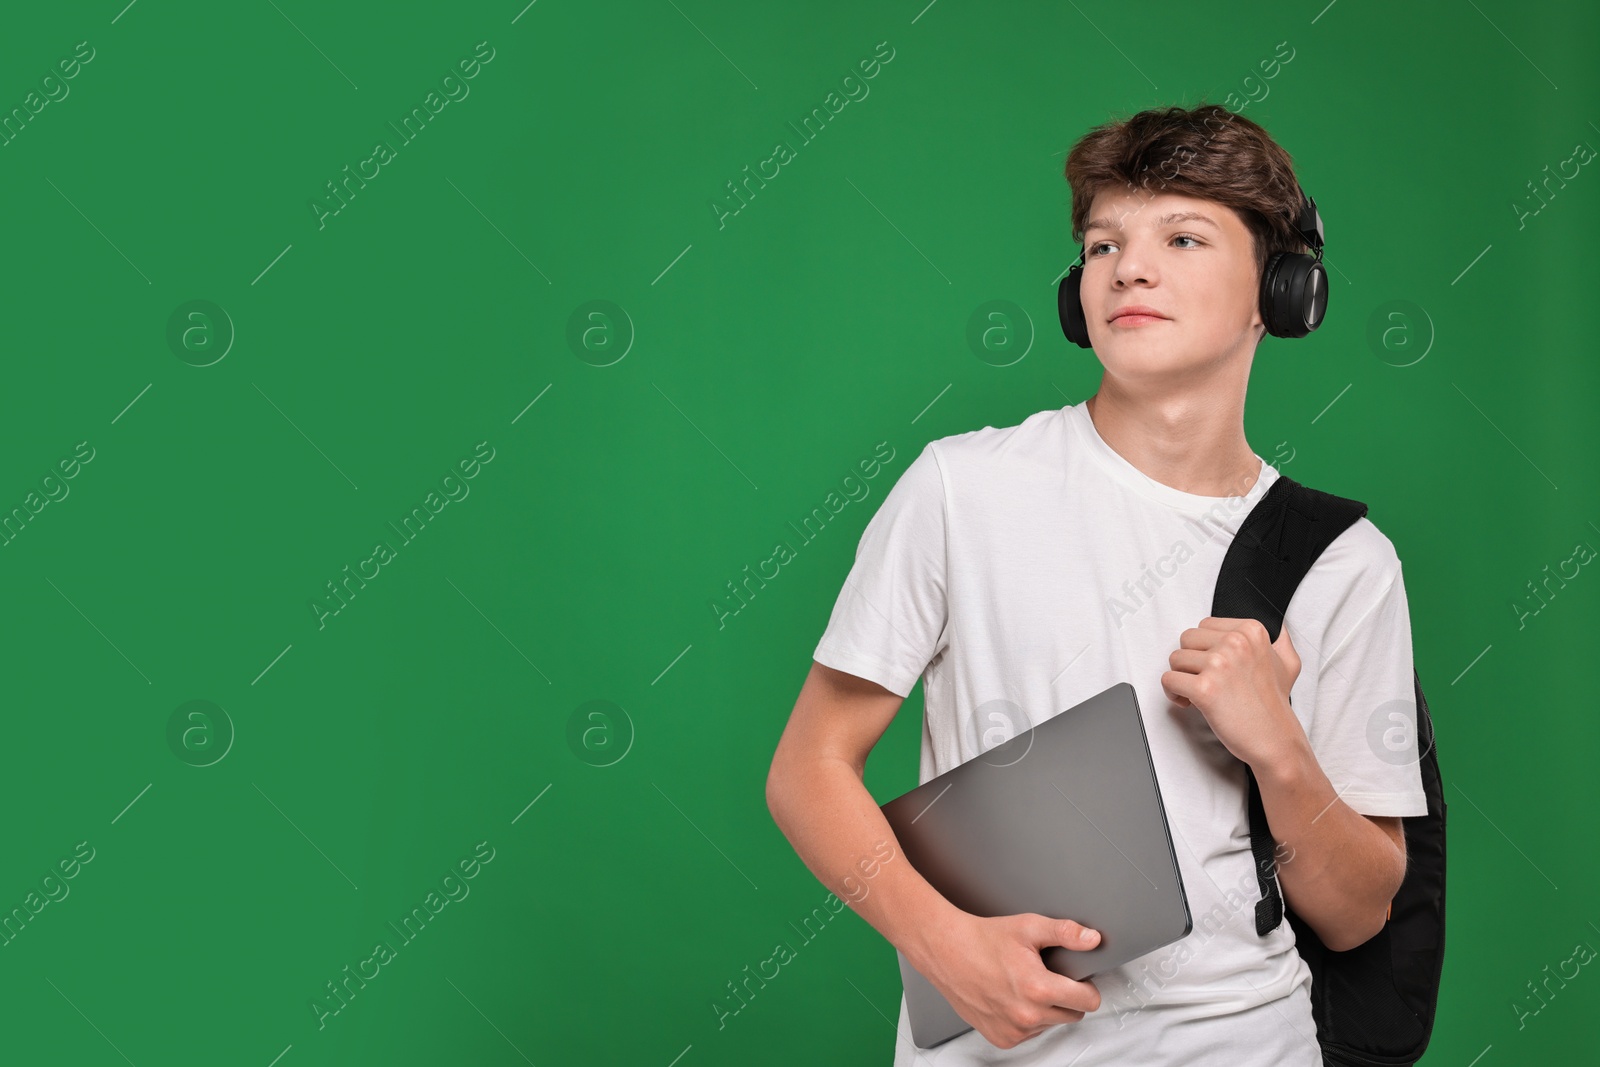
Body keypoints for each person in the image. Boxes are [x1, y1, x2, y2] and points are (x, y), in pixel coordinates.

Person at [764, 102, 1428, 1066]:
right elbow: (807, 768)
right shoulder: (962, 488)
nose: (1131, 267)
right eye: (1103, 242)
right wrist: (940, 940)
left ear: (1279, 294)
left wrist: (1279, 748)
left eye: (1184, 236)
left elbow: (1362, 912)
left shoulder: (1344, 560)